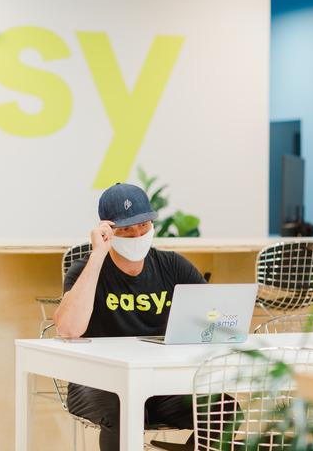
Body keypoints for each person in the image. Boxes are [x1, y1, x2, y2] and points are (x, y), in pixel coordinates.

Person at [53, 182, 206, 451]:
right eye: (126, 229)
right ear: (107, 231)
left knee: (223, 407)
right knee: (123, 407)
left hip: (158, 384)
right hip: (96, 383)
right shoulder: (84, 271)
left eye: (143, 225)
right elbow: (68, 329)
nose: (136, 234)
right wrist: (98, 255)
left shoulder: (172, 266)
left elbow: (210, 316)